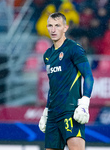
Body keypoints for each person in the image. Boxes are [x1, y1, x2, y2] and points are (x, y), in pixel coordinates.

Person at [38, 12, 94, 150]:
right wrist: (46, 111)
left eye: (57, 25)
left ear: (65, 28)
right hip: (53, 114)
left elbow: (88, 76)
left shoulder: (73, 48)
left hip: (70, 111)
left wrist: (84, 103)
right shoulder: (47, 55)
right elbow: (53, 85)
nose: (53, 29)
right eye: (50, 26)